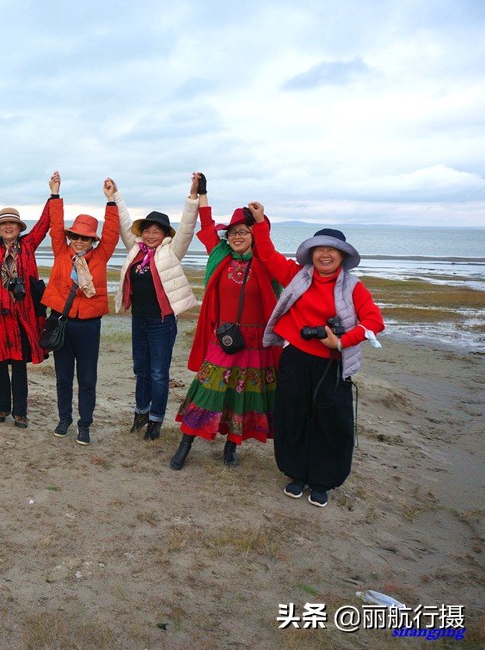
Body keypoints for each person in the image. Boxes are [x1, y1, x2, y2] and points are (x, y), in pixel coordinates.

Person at [249, 201, 384, 508]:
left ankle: (322, 481)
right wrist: (259, 222)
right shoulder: (297, 276)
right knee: (293, 416)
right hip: (296, 357)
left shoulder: (353, 287)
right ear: (310, 254)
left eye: (332, 250)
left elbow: (375, 322)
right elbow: (267, 256)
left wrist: (340, 341)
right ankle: (296, 474)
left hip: (332, 365)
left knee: (330, 421)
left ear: (343, 256)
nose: (325, 254)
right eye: (319, 249)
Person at [170, 175, 280, 470]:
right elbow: (207, 226)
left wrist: (261, 221)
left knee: (242, 395)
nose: (236, 237)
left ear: (255, 233)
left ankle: (232, 447)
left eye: (243, 231)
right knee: (206, 390)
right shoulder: (220, 256)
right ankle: (185, 444)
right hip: (225, 338)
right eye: (232, 233)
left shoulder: (267, 262)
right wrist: (202, 192)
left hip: (256, 342)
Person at [113, 174, 199, 440]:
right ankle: (141, 411)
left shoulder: (172, 252)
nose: (151, 235)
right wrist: (115, 196)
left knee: (159, 373)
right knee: (141, 370)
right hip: (138, 319)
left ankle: (156, 420)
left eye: (156, 231)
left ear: (164, 235)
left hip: (162, 322)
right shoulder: (135, 249)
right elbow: (125, 224)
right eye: (147, 230)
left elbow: (186, 227)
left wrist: (193, 195)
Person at [42, 171, 120, 445]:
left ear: (92, 241)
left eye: (84, 238)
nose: (78, 240)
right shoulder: (61, 252)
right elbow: (54, 226)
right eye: (75, 235)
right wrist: (55, 194)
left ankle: (85, 424)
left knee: (87, 378)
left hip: (88, 326)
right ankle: (65, 419)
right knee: (63, 377)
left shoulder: (101, 255)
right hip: (62, 322)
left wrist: (111, 200)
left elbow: (112, 233)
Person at [0, 196, 51, 429]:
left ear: (18, 227)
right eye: (4, 224)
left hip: (22, 317)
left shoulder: (28, 245)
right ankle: (2, 408)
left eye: (12, 224)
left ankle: (20, 413)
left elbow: (44, 224)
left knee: (19, 365)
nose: (8, 227)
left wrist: (53, 195)